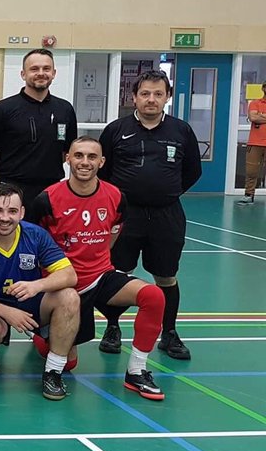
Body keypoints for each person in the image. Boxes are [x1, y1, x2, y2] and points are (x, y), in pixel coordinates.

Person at [27, 137, 168, 400]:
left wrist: (99, 259)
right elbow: (33, 243)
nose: (85, 162)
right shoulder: (47, 199)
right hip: (63, 285)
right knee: (69, 364)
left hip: (101, 276)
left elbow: (113, 230)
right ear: (67, 159)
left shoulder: (115, 196)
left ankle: (136, 371)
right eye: (78, 155)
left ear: (102, 162)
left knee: (154, 295)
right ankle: (48, 351)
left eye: (92, 157)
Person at [97, 70, 200, 360]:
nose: (151, 99)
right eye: (145, 94)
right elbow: (103, 172)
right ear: (134, 98)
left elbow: (193, 170)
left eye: (157, 93)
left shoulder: (181, 131)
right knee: (117, 274)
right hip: (125, 217)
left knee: (166, 276)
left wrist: (166, 192)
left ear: (167, 97)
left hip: (167, 216)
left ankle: (169, 333)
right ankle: (113, 327)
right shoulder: (116, 130)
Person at [0, 184, 81, 400]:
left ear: (22, 213)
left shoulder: (36, 235)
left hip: (31, 303)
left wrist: (36, 285)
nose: (5, 218)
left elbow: (69, 275)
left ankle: (53, 372)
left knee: (69, 296)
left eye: (12, 211)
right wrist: (6, 312)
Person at [0, 48, 77, 208]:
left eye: (46, 69)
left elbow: (68, 150)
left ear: (53, 73)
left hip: (51, 189)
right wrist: (6, 172)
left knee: (49, 234)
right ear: (23, 74)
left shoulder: (65, 109)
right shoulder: (3, 109)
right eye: (34, 69)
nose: (41, 73)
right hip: (10, 189)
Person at [238, 84, 266, 205]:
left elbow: (257, 117)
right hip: (255, 143)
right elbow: (253, 117)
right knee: (251, 171)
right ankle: (249, 195)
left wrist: (261, 116)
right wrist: (257, 117)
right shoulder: (255, 103)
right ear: (264, 89)